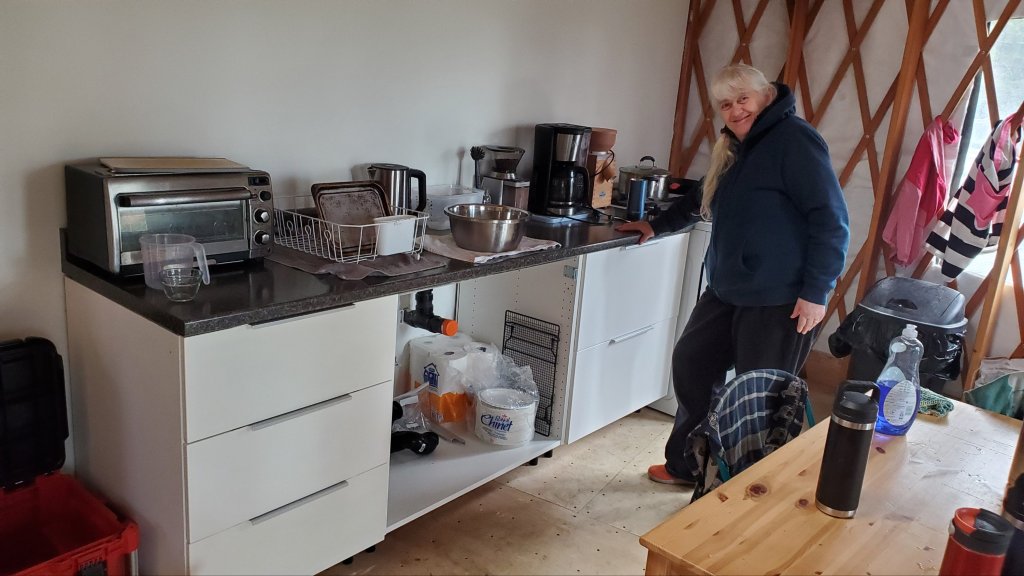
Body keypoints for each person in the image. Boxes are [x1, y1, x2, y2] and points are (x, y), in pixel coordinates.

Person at [616, 63, 850, 485]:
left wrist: (817, 291)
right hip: (727, 288)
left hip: (780, 298)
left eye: (743, 99)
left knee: (758, 398)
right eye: (725, 104)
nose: (735, 110)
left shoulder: (795, 141)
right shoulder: (733, 146)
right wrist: (656, 226)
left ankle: (745, 486)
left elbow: (831, 220)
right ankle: (690, 465)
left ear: (765, 96)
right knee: (692, 363)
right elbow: (700, 196)